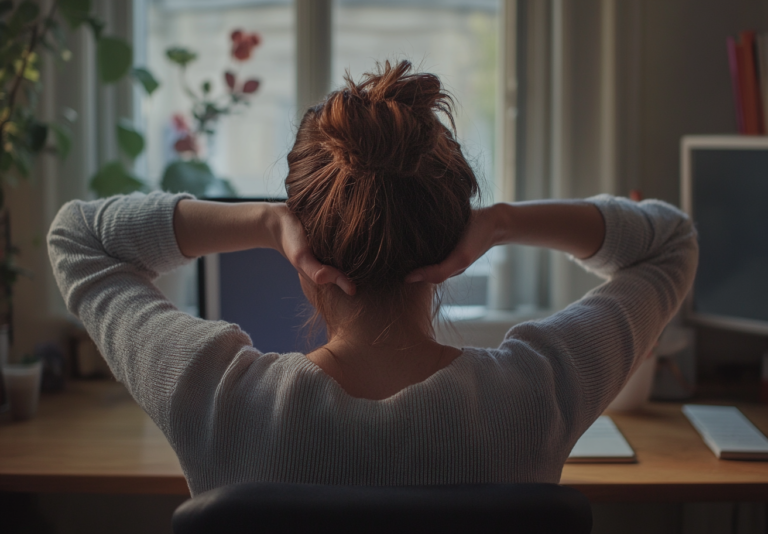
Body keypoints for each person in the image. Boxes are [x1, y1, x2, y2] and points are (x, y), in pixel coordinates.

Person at [48, 60, 698, 495]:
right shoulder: (538, 393)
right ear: (453, 246)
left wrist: (267, 222)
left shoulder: (216, 401)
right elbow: (669, 241)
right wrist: (499, 222)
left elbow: (80, 236)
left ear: (308, 255)